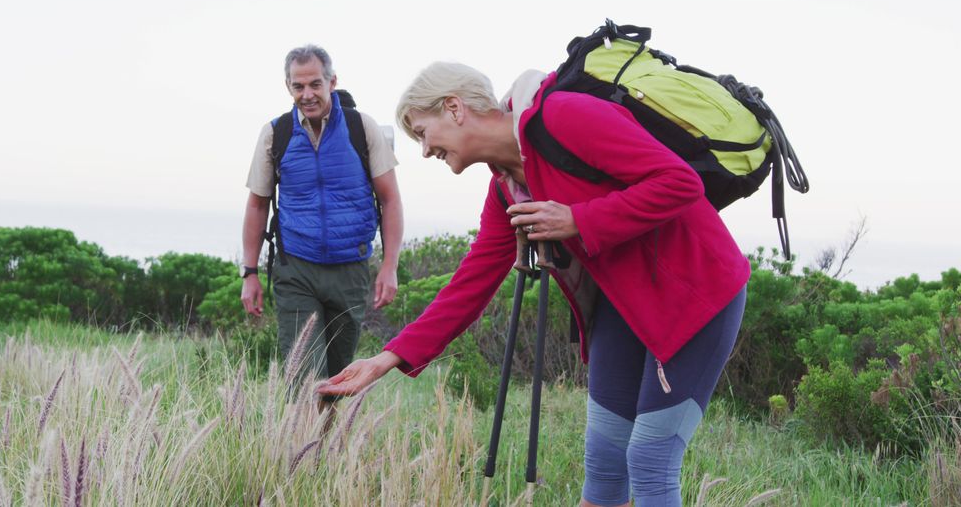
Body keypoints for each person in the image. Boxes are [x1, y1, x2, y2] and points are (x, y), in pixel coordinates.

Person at [318, 62, 749, 506]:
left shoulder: (565, 117)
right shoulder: (507, 188)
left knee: (650, 460)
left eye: (423, 132)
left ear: (454, 108)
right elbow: (470, 284)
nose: (425, 150)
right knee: (603, 464)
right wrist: (387, 358)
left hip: (696, 297)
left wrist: (578, 219)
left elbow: (680, 181)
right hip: (622, 308)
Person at [241, 44, 404, 393]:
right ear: (288, 87)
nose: (307, 94)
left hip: (351, 270)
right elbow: (257, 204)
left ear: (332, 81)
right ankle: (300, 445)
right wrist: (250, 272)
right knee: (304, 377)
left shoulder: (363, 128)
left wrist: (390, 266)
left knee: (339, 377)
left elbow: (390, 200)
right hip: (296, 268)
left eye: (315, 84)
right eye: (298, 86)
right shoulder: (276, 133)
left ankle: (329, 446)